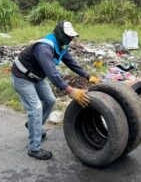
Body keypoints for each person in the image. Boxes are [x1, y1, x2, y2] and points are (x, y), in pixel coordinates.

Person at [11, 21, 100, 160]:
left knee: (50, 100)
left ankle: (33, 126)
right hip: (22, 77)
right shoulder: (44, 48)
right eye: (68, 36)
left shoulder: (61, 45)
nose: (71, 39)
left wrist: (88, 76)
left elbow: (71, 62)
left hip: (37, 77)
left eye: (72, 36)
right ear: (60, 34)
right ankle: (34, 148)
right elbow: (53, 75)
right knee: (36, 108)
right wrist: (70, 90)